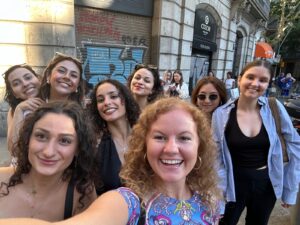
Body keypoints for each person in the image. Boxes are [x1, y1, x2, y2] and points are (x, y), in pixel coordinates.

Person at [0, 98, 222, 225]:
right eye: (160, 137)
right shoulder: (126, 202)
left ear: (199, 146)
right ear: (144, 146)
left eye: (184, 138)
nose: (171, 148)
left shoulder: (209, 200)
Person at [212, 60, 300, 225]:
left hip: (266, 184)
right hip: (232, 183)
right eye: (250, 77)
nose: (255, 84)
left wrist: (290, 190)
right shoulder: (221, 114)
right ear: (239, 79)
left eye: (262, 80)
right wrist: (218, 190)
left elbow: (295, 145)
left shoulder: (275, 107)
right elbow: (216, 156)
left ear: (268, 84)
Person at [0, 101, 97, 221]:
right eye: (41, 136)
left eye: (65, 141)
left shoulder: (82, 193)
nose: (48, 152)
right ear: (28, 139)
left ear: (78, 149)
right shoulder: (1, 178)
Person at [88, 79, 140, 194]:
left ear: (125, 100)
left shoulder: (145, 138)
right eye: (100, 100)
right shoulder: (94, 145)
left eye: (113, 96)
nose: (106, 102)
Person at [3, 64, 44, 154]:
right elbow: (13, 149)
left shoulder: (53, 100)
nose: (25, 84)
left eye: (28, 78)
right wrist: (19, 110)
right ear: (15, 94)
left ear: (39, 79)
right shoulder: (14, 110)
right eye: (16, 83)